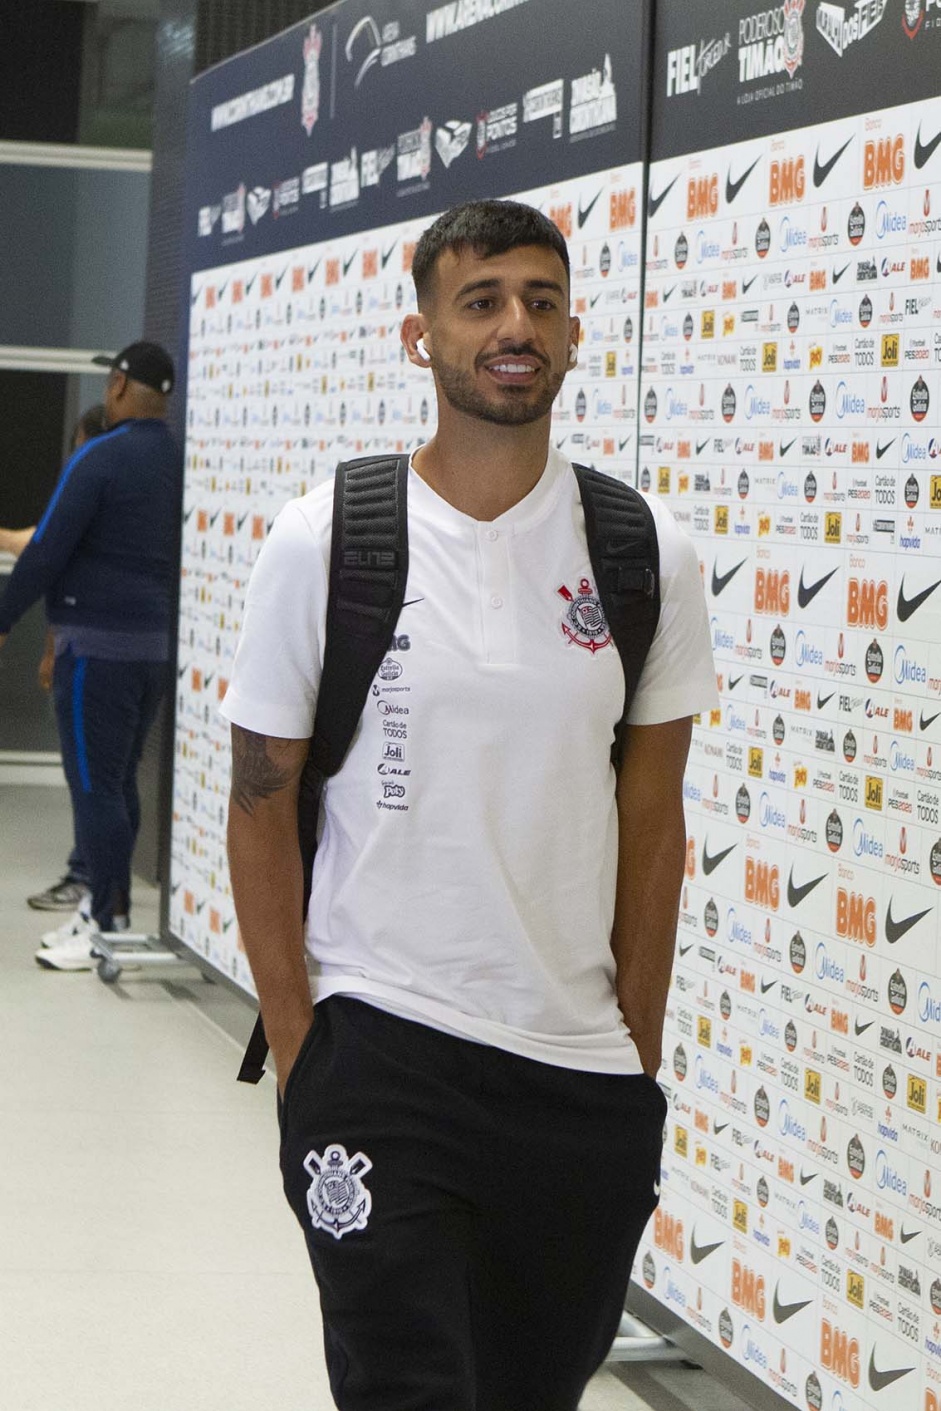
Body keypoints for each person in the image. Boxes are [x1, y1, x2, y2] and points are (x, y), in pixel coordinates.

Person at [222, 201, 717, 1411]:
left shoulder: (644, 551)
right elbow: (259, 803)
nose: (515, 326)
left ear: (572, 336)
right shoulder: (323, 538)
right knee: (408, 1388)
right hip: (382, 1048)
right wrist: (304, 1054)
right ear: (419, 336)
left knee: (526, 1392)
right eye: (482, 299)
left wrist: (632, 1060)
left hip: (577, 1079)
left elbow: (653, 826)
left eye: (541, 302)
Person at [0, 343, 182, 970]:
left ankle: (103, 918)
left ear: (119, 386)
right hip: (155, 651)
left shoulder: (99, 457)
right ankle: (112, 913)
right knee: (119, 779)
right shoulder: (179, 460)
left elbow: (47, 549)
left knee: (93, 787)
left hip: (96, 652)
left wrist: (2, 622)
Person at [0, 404, 108, 912]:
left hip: (97, 654)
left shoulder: (94, 489)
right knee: (104, 777)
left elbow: (41, 551)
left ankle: (93, 888)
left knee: (92, 776)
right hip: (90, 644)